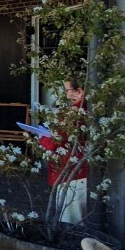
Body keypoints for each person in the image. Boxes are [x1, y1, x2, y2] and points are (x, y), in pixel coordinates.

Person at [39, 78, 89, 224]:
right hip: (80, 168)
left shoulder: (74, 113)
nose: (67, 95)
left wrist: (42, 138)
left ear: (79, 91)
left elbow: (56, 140)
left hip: (70, 169)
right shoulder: (90, 110)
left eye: (68, 90)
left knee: (70, 218)